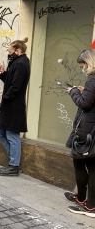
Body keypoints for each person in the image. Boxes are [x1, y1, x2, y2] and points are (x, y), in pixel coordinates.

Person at [0, 38, 30, 176]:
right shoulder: (17, 62)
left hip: (14, 106)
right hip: (9, 105)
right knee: (1, 133)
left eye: (10, 51)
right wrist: (2, 72)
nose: (9, 54)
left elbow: (15, 87)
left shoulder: (21, 64)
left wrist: (5, 97)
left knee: (12, 135)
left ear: (18, 51)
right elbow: (10, 81)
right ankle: (13, 162)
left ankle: (14, 165)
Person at [65, 49, 95, 217]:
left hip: (88, 130)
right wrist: (85, 91)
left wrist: (74, 92)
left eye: (82, 64)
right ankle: (84, 199)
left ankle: (89, 205)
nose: (82, 68)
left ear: (89, 63)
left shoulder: (93, 78)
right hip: (91, 129)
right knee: (90, 165)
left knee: (83, 164)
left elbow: (85, 104)